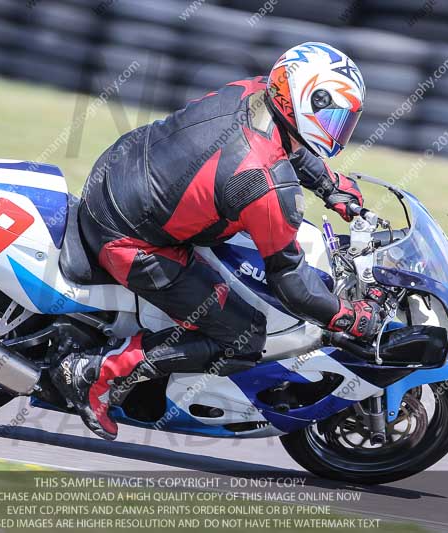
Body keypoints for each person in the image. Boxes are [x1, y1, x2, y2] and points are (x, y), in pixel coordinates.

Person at [49, 42, 383, 441]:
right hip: (129, 240)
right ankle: (97, 372)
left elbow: (289, 142)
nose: (337, 128)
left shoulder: (253, 91)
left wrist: (330, 185)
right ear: (300, 100)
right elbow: (291, 283)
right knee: (244, 337)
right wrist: (347, 316)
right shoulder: (265, 184)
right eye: (332, 116)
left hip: (119, 167)